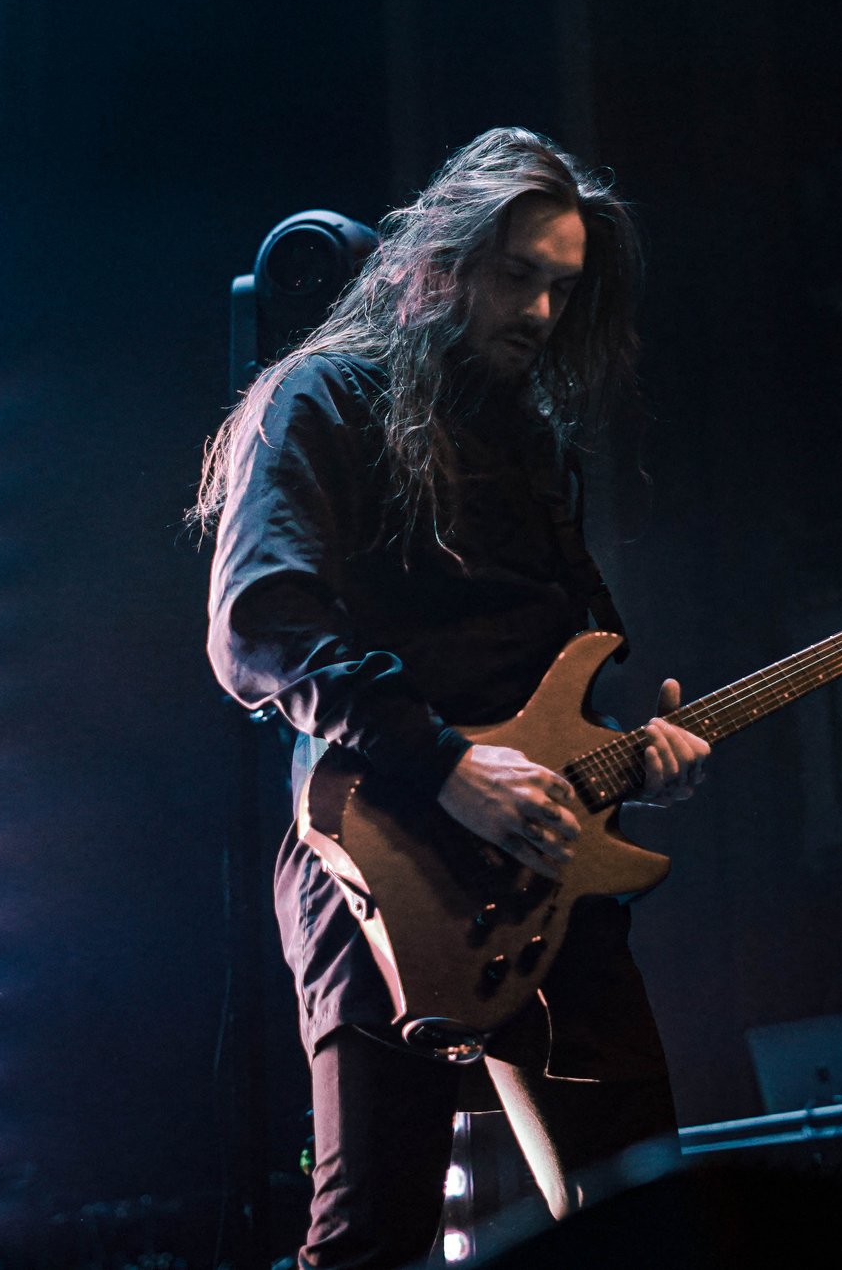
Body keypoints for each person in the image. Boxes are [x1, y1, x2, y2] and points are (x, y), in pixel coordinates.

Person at [198, 127, 709, 1267]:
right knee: (376, 1230)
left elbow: (541, 685)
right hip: (378, 853)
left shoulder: (535, 446)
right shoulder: (322, 397)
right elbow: (259, 624)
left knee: (643, 1214)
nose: (538, 311)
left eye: (561, 289)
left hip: (548, 870)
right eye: (516, 275)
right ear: (437, 263)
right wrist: (446, 765)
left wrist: (631, 757)